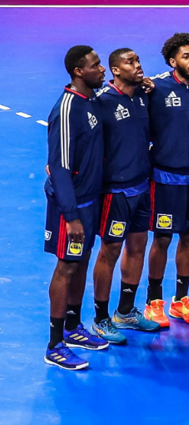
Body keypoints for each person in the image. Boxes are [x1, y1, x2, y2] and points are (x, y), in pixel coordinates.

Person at [43, 46, 109, 371]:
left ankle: (72, 327)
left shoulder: (91, 101)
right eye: (96, 65)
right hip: (71, 208)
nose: (102, 69)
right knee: (66, 267)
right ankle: (55, 345)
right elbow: (59, 167)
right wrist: (70, 216)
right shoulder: (67, 109)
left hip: (90, 202)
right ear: (78, 72)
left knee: (80, 263)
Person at [91, 48, 161, 345]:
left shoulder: (144, 95)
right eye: (129, 63)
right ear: (115, 70)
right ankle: (100, 317)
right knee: (110, 251)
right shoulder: (102, 103)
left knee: (138, 246)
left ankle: (125, 312)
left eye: (138, 61)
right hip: (115, 193)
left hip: (142, 187)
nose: (138, 66)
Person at [144, 33, 189, 329]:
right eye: (186, 56)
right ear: (173, 61)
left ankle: (180, 301)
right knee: (162, 238)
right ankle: (153, 302)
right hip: (165, 177)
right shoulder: (156, 88)